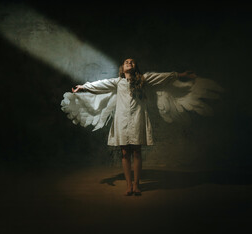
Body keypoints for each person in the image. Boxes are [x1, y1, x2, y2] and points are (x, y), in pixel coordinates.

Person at [71, 58, 197, 196]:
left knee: (136, 152)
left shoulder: (143, 80)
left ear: (135, 66)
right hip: (122, 120)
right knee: (125, 153)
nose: (129, 62)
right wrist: (83, 87)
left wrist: (181, 75)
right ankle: (129, 185)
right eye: (126, 62)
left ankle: (136, 185)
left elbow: (162, 77)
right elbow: (101, 85)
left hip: (137, 118)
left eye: (132, 61)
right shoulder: (118, 82)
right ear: (122, 68)